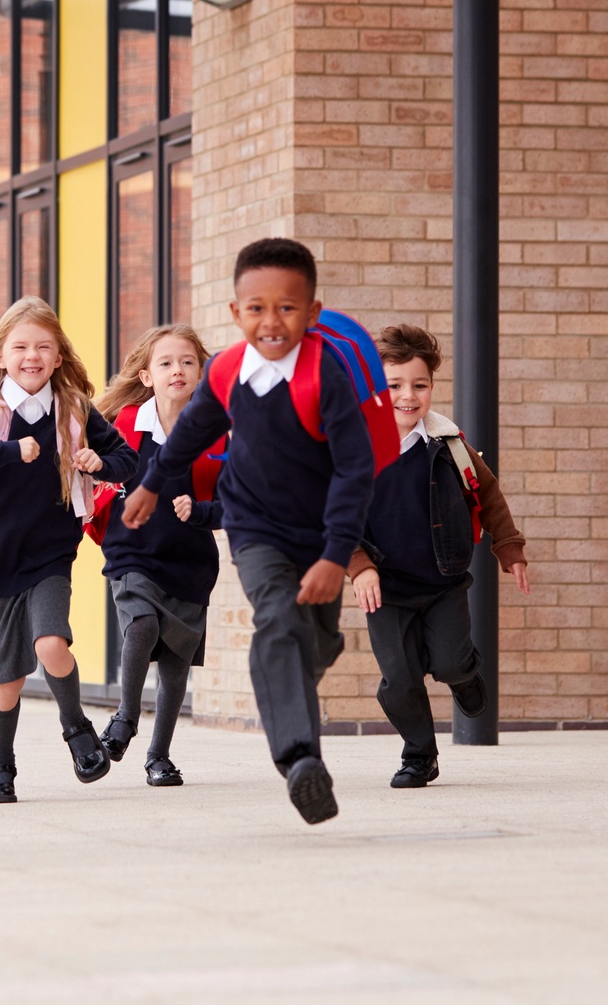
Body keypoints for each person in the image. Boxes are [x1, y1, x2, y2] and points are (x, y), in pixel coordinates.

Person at [122, 238, 375, 825]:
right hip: (254, 526)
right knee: (278, 621)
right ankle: (300, 759)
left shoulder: (326, 375)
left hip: (320, 533)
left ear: (312, 313)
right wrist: (152, 482)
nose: (271, 320)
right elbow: (189, 433)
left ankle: (292, 685)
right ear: (236, 313)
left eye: (287, 308)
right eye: (256, 308)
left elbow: (356, 471)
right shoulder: (230, 370)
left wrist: (337, 555)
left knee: (318, 641)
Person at [0, 297, 139, 804]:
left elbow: (127, 459)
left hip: (50, 559)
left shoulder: (75, 411)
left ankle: (77, 730)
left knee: (50, 645)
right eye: (20, 346)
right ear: (0, 355)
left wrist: (97, 462)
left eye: (44, 347)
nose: (32, 355)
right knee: (9, 680)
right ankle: (0, 768)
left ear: (59, 357)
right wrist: (6, 452)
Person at [344, 324, 528, 787]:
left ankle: (464, 674)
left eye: (419, 385)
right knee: (400, 679)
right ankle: (419, 755)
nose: (408, 396)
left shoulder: (449, 444)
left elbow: (487, 492)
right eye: (394, 385)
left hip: (443, 580)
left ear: (431, 387)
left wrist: (509, 548)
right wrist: (359, 566)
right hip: (385, 588)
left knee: (447, 660)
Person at [93, 324, 223, 787]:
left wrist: (203, 512)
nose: (178, 370)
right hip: (132, 551)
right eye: (166, 363)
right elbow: (93, 476)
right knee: (143, 623)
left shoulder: (216, 432)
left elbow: (238, 501)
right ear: (146, 376)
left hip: (190, 558)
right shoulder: (124, 425)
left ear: (201, 372)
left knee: (175, 663)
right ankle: (125, 717)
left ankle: (159, 756)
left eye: (187, 362)